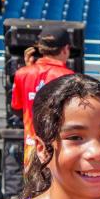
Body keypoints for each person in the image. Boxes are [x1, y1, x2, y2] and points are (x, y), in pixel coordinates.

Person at [10, 25, 74, 168]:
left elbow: (16, 109)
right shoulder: (69, 78)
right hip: (59, 153)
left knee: (33, 190)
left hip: (32, 150)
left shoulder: (22, 73)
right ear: (65, 49)